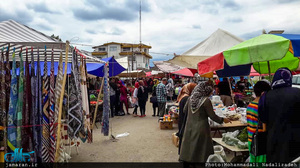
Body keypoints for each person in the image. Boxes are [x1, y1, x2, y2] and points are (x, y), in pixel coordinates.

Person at [179, 82, 231, 164]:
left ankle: (190, 162)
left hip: (189, 127)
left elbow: (184, 110)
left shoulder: (190, 99)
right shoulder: (206, 101)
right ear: (206, 91)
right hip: (201, 128)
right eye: (210, 92)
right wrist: (223, 120)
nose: (211, 94)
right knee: (202, 149)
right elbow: (212, 116)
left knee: (191, 147)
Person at [258, 68, 300, 162]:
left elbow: (263, 126)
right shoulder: (298, 93)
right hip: (295, 144)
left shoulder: (264, 97)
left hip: (274, 145)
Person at [246, 81, 271, 163]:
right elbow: (264, 129)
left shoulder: (250, 105)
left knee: (253, 162)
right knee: (261, 164)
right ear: (263, 93)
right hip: (260, 142)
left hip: (251, 140)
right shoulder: (261, 107)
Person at [176, 82, 197, 154]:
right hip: (185, 120)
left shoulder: (183, 96)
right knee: (185, 138)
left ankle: (182, 153)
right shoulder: (187, 98)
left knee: (183, 137)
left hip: (182, 119)